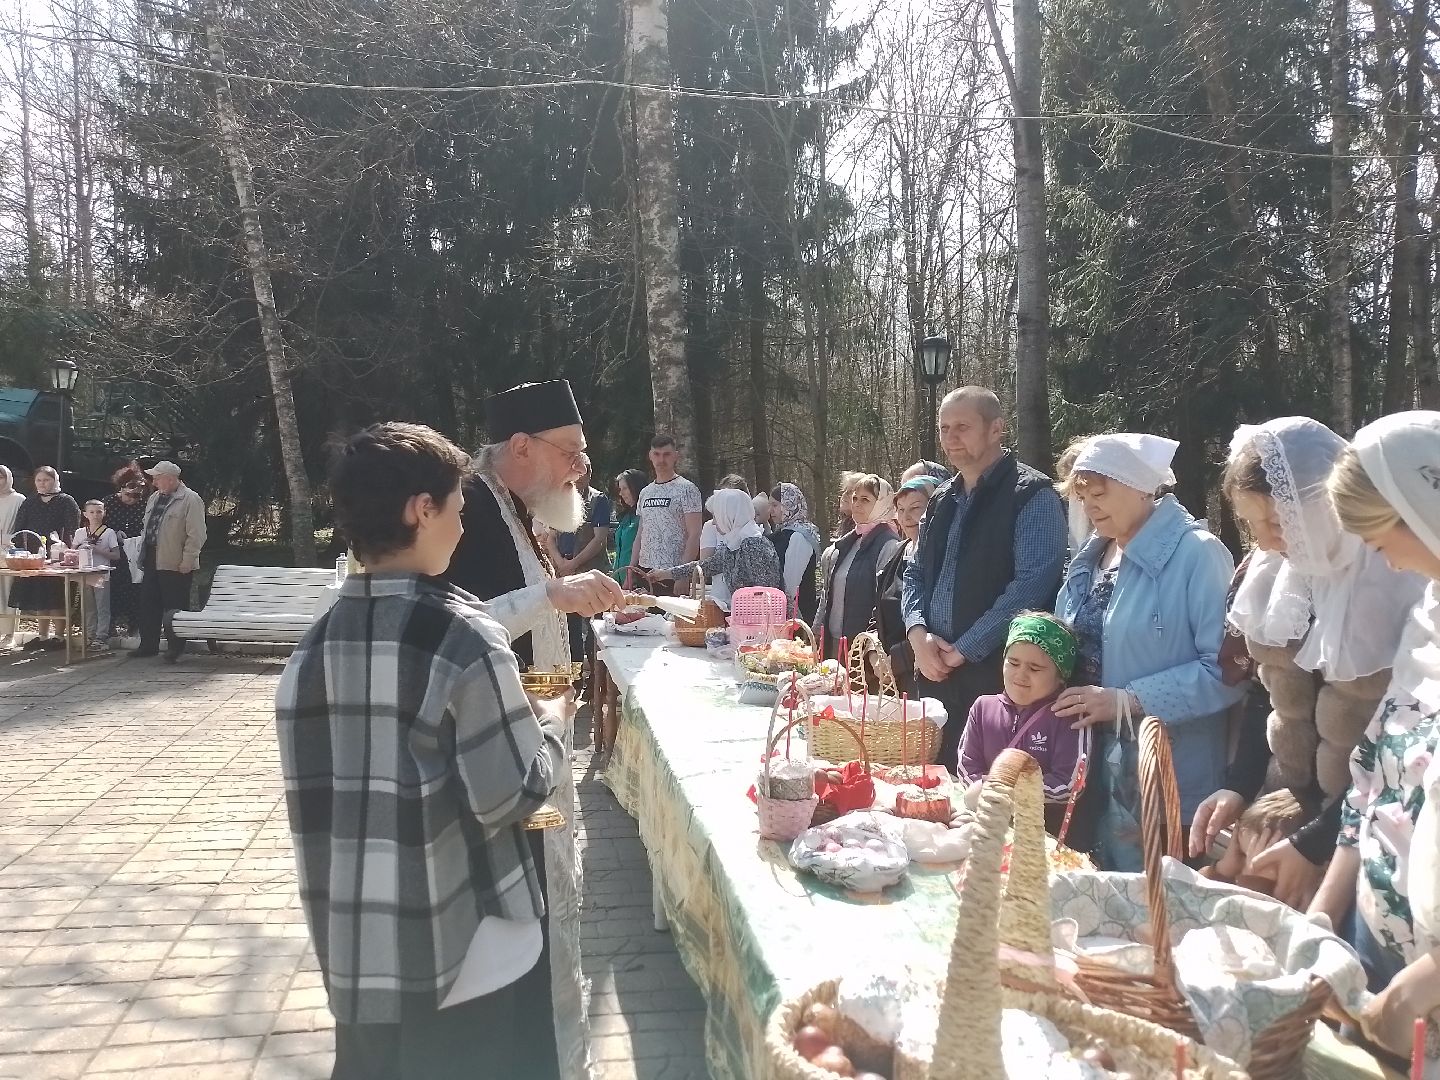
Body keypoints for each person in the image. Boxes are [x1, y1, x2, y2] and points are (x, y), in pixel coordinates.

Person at [276, 422, 571, 1079]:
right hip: (461, 949)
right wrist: (549, 725)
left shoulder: (313, 646)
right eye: (459, 510)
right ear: (422, 509)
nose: (463, 530)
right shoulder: (466, 635)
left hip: (356, 951)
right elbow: (510, 795)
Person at [441, 379, 624, 1079]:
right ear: (522, 447)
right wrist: (551, 592)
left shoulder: (513, 509)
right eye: (571, 452)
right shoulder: (473, 511)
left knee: (553, 905)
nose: (582, 469)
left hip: (538, 738)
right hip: (502, 759)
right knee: (524, 920)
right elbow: (455, 623)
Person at [1191, 418, 1424, 908]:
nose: (1269, 539)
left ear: (1321, 506)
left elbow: (1393, 742)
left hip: (1372, 827)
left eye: (1279, 522)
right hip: (1289, 807)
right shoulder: (1276, 572)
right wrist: (1239, 786)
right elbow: (1266, 693)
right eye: (1254, 525)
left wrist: (1321, 837)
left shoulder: (1398, 573)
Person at [1307, 412, 1440, 1063]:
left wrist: (1423, 986)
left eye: (1377, 535)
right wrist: (1325, 910)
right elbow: (1375, 771)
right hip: (1377, 936)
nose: (1378, 557)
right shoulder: (1429, 615)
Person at [1053, 433, 1242, 871]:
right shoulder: (1089, 557)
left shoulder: (1198, 555)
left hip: (1163, 771)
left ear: (1142, 487)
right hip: (1087, 764)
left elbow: (1227, 671)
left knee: (1153, 909)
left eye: (1099, 493)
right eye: (1081, 496)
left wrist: (1128, 699)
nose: (1089, 506)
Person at [902, 387, 1068, 771]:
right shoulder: (942, 498)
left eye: (962, 427)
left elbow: (1033, 584)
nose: (951, 438)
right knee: (928, 788)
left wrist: (965, 648)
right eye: (944, 428)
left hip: (996, 681)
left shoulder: (1032, 496)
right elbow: (915, 572)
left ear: (996, 429)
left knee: (986, 799)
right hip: (932, 672)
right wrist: (917, 634)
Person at [958, 612, 1090, 836]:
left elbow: (1069, 784)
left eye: (1035, 668)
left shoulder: (1069, 716)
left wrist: (1005, 790)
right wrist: (989, 797)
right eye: (1013, 662)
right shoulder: (982, 708)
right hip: (986, 827)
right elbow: (967, 766)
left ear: (1061, 675)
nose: (1020, 674)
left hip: (1040, 838)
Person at [816, 475, 901, 660]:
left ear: (881, 504)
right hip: (834, 644)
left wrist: (872, 649)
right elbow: (827, 593)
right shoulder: (850, 542)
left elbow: (885, 603)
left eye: (865, 499)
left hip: (864, 651)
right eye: (855, 498)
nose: (857, 504)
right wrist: (817, 632)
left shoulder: (889, 544)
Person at [647, 488, 782, 602]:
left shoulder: (754, 545)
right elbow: (707, 565)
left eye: (716, 516)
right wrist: (665, 574)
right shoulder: (735, 543)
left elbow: (766, 597)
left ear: (729, 515)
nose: (713, 523)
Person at [541, 462, 612, 667]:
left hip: (591, 573)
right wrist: (561, 563)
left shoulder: (598, 500)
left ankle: (596, 680)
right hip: (564, 574)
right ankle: (576, 675)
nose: (577, 476)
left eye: (582, 471)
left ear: (589, 473)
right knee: (569, 628)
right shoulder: (560, 500)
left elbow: (599, 539)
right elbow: (550, 538)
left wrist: (573, 563)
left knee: (595, 628)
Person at [134, 461, 206, 661]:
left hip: (176, 561)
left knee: (175, 606)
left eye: (158, 477)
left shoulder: (191, 499)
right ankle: (148, 646)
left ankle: (175, 648)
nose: (154, 481)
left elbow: (197, 534)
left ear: (171, 478)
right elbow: (148, 528)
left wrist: (188, 560)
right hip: (151, 558)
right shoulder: (154, 497)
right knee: (148, 603)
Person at [874, 476, 938, 691]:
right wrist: (875, 655)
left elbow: (942, 625)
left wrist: (897, 660)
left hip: (924, 677)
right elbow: (877, 611)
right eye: (900, 509)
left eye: (915, 508)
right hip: (887, 679)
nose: (906, 517)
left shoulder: (942, 560)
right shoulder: (896, 552)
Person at [10, 466, 81, 650]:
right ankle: (42, 636)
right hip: (33, 557)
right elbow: (20, 527)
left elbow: (72, 529)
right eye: (39, 480)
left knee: (56, 596)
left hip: (58, 555)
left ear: (55, 480)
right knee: (40, 596)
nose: (43, 484)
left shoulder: (66, 501)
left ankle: (58, 636)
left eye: (47, 480)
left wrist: (64, 548)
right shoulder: (30, 502)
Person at [629, 434, 702, 592]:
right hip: (644, 571)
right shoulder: (645, 492)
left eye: (666, 454)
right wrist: (631, 568)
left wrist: (683, 574)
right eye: (657, 454)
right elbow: (641, 533)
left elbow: (695, 534)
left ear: (676, 456)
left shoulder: (687, 489)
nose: (661, 460)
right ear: (650, 456)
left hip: (672, 572)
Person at [102, 463, 148, 637]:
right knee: (113, 589)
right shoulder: (108, 503)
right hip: (114, 554)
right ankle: (111, 624)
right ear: (121, 489)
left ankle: (134, 625)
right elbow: (98, 527)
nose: (132, 499)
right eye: (129, 495)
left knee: (136, 588)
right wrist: (113, 533)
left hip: (135, 552)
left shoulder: (142, 505)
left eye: (137, 496)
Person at [71, 500, 121, 651]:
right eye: (91, 512)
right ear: (85, 514)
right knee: (88, 607)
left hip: (101, 574)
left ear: (104, 513)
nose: (95, 515)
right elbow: (72, 552)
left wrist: (98, 550)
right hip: (85, 573)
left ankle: (101, 637)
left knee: (102, 606)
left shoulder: (108, 532)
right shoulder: (80, 532)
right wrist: (80, 549)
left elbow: (116, 555)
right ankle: (89, 635)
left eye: (99, 512)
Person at [768, 483, 821, 623]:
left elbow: (791, 582)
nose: (771, 510)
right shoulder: (783, 532)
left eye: (775, 505)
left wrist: (779, 610)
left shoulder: (799, 536)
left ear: (788, 505)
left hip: (797, 614)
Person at [698, 474, 749, 605]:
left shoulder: (753, 538)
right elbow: (707, 565)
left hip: (745, 610)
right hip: (720, 601)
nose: (714, 522)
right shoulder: (713, 527)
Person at [0, 465, 27, 648]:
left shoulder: (19, 499)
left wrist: (6, 539)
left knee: (9, 592)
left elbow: (22, 529)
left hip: (9, 551)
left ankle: (9, 634)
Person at [610, 469, 648, 587]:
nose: (621, 493)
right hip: (619, 579)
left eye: (625, 488)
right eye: (620, 490)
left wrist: (630, 576)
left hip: (637, 581)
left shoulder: (646, 516)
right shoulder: (626, 517)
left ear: (635, 487)